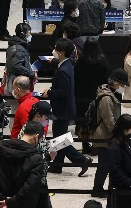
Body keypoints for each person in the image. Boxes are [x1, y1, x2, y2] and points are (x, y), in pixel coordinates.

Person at [42, 38, 92, 174]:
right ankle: (57, 165)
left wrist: (50, 93)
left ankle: (81, 160)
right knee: (60, 138)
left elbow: (63, 91)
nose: (54, 51)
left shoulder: (64, 70)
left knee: (60, 140)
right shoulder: (67, 64)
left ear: (62, 52)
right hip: (65, 108)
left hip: (62, 109)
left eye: (56, 50)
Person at [0, 120, 45, 208]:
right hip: (23, 204)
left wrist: (0, 198)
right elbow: (30, 186)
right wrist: (10, 202)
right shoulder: (36, 158)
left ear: (23, 132)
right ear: (37, 137)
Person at [90, 69, 129, 197]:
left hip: (107, 134)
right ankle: (97, 189)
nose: (123, 88)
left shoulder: (109, 93)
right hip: (104, 135)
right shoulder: (106, 97)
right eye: (122, 85)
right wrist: (118, 135)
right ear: (116, 83)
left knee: (106, 163)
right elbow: (109, 120)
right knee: (104, 165)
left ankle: (100, 188)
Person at [75, 37, 111, 152]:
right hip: (97, 96)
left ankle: (85, 145)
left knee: (83, 121)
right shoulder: (103, 62)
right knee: (96, 120)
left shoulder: (79, 62)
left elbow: (76, 79)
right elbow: (107, 79)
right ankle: (97, 145)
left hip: (82, 96)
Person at [105, 114, 131, 208]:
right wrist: (129, 183)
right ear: (125, 129)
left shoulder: (128, 140)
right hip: (124, 191)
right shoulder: (114, 147)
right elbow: (114, 169)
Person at [5, 23, 35, 111]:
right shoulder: (19, 49)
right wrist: (31, 73)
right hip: (18, 84)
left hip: (14, 82)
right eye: (28, 34)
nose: (30, 36)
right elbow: (16, 66)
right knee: (17, 110)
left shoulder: (14, 45)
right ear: (23, 34)